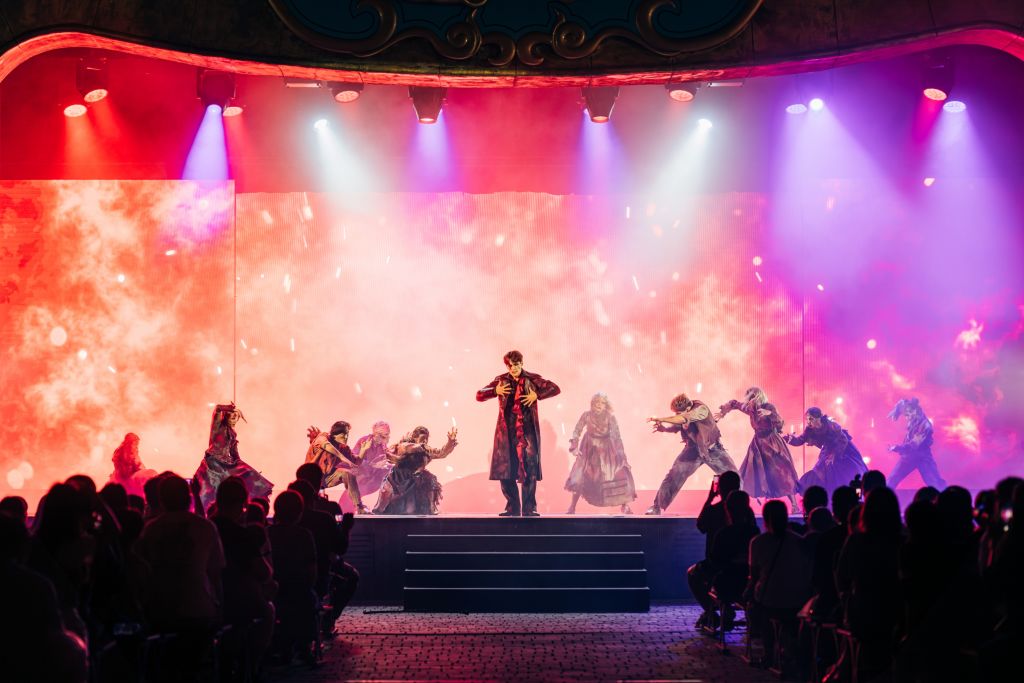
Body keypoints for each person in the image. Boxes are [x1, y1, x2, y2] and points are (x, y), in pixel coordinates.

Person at [477, 350, 561, 517]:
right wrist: (495, 391)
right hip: (506, 432)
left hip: (527, 432)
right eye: (510, 366)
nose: (513, 368)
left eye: (515, 364)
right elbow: (479, 395)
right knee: (505, 469)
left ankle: (529, 509)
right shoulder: (500, 381)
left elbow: (555, 388)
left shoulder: (533, 379)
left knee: (530, 468)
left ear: (521, 363)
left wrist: (537, 395)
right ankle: (512, 508)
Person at [646, 393, 738, 515]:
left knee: (734, 476)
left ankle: (738, 506)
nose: (677, 415)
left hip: (713, 450)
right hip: (693, 450)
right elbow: (678, 425)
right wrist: (664, 429)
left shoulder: (701, 409)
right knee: (674, 475)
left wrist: (661, 419)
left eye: (679, 413)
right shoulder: (683, 415)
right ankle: (657, 506)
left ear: (688, 408)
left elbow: (683, 418)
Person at [716, 387, 799, 504]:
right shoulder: (750, 409)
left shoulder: (768, 407)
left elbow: (780, 422)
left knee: (781, 472)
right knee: (751, 472)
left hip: (772, 442)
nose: (751, 401)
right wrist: (725, 409)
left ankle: (794, 504)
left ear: (759, 397)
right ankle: (740, 502)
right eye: (749, 398)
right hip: (758, 444)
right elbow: (735, 403)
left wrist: (770, 414)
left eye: (753, 398)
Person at [193, 404, 273, 512]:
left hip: (227, 464)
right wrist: (228, 407)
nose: (235, 421)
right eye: (233, 417)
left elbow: (235, 454)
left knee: (247, 476)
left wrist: (249, 470)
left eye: (237, 418)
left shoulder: (233, 434)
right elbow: (217, 409)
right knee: (211, 490)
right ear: (226, 416)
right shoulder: (218, 425)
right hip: (213, 463)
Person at [565, 393, 636, 514]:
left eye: (602, 402)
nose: (598, 405)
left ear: (605, 405)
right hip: (588, 448)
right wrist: (574, 445)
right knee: (579, 475)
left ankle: (625, 505)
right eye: (596, 402)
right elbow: (577, 430)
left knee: (617, 472)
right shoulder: (586, 415)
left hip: (606, 450)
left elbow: (617, 437)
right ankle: (572, 507)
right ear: (592, 403)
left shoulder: (610, 417)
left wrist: (622, 455)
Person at [374, 426, 458, 515]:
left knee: (430, 479)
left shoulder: (425, 449)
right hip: (398, 477)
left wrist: (450, 442)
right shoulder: (403, 446)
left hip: (415, 477)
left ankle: (430, 507)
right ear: (414, 437)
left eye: (426, 439)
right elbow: (393, 453)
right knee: (387, 494)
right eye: (422, 438)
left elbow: (441, 453)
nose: (424, 441)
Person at [784, 407, 867, 493]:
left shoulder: (831, 426)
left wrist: (834, 454)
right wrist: (789, 439)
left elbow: (843, 440)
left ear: (818, 418)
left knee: (851, 472)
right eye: (807, 419)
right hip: (828, 451)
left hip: (844, 450)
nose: (808, 422)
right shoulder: (809, 430)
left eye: (811, 419)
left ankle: (855, 493)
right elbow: (799, 440)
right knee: (820, 472)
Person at [305, 420, 369, 514]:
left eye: (347, 434)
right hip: (311, 478)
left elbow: (356, 462)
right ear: (335, 434)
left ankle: (359, 507)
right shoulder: (323, 436)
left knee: (347, 473)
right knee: (311, 503)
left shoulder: (343, 448)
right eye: (343, 435)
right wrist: (343, 458)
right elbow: (327, 446)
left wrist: (363, 451)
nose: (346, 437)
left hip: (327, 478)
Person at [887, 397, 946, 490]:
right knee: (892, 480)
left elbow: (913, 445)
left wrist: (897, 448)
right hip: (908, 457)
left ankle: (947, 497)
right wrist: (897, 410)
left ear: (915, 411)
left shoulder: (926, 426)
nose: (907, 417)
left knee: (935, 483)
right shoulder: (909, 410)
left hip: (922, 457)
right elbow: (902, 402)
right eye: (905, 415)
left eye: (909, 414)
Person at [351, 421, 393, 500]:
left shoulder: (382, 444)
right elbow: (353, 459)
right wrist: (374, 465)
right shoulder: (364, 441)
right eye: (386, 434)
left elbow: (386, 457)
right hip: (360, 478)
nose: (388, 437)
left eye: (388, 434)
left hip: (373, 477)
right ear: (377, 434)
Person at [107, 433, 157, 498]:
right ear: (130, 442)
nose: (136, 446)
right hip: (125, 476)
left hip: (127, 474)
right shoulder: (125, 452)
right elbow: (128, 466)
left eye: (137, 444)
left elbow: (138, 464)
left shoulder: (128, 451)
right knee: (149, 475)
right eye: (135, 444)